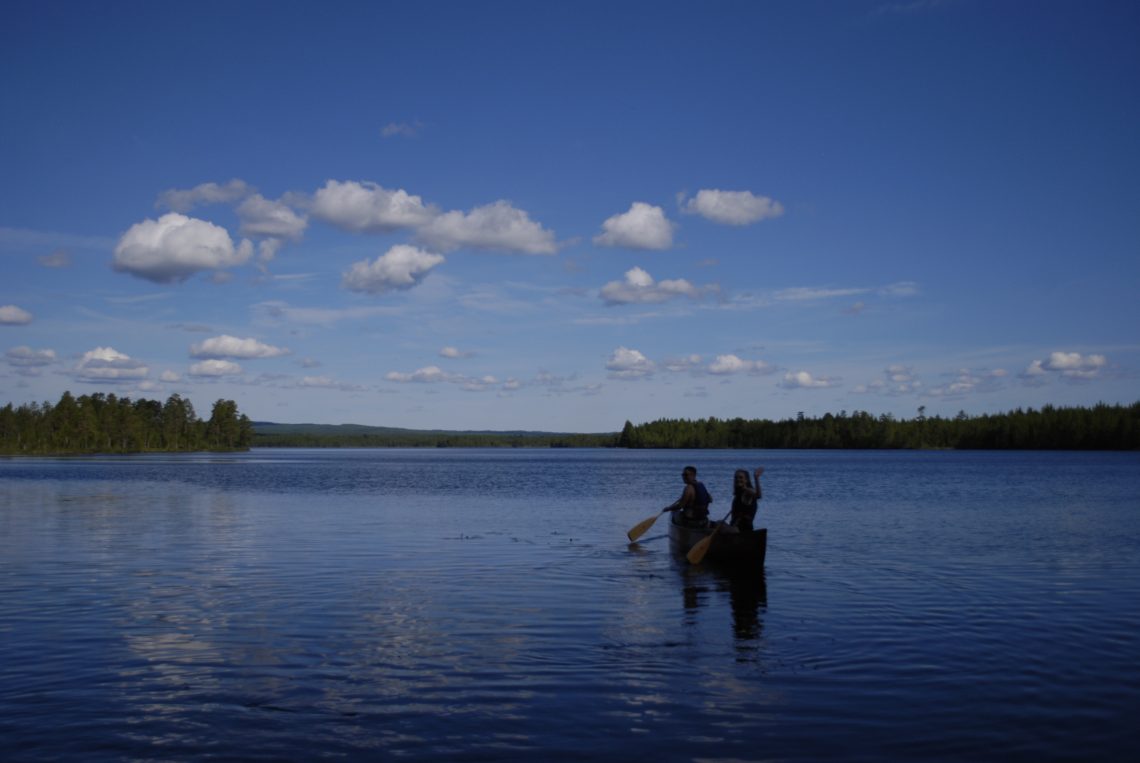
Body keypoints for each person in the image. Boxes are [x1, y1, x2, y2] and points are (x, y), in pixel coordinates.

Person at [727, 467, 763, 532]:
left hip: (741, 530)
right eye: (736, 477)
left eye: (741, 477)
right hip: (735, 528)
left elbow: (758, 496)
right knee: (718, 523)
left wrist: (756, 479)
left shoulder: (747, 491)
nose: (738, 479)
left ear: (746, 480)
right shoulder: (739, 493)